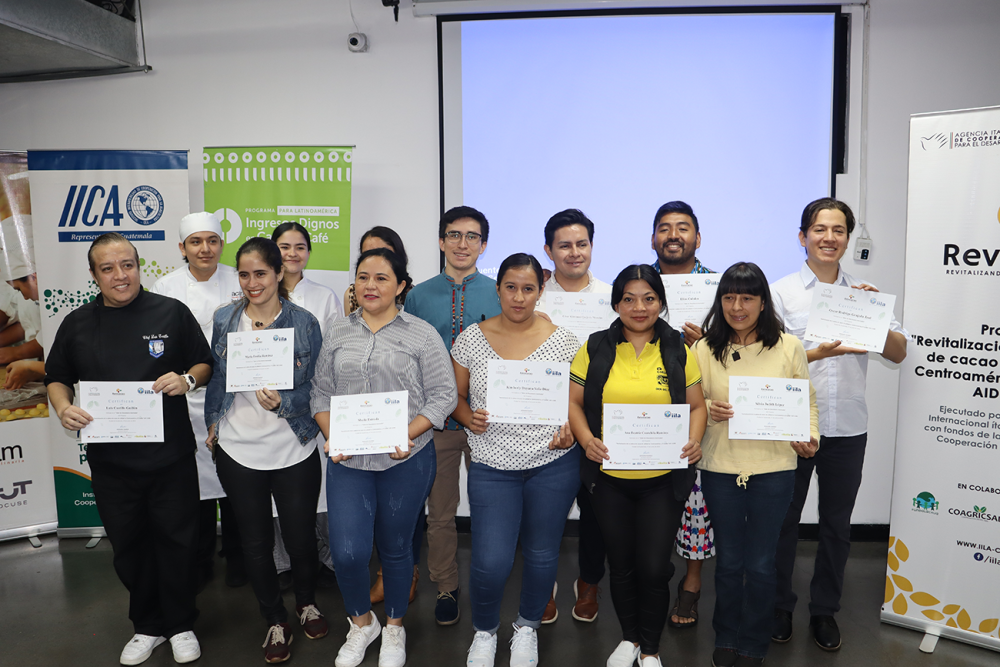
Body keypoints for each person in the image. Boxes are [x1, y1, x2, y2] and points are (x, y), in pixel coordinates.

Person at [45, 232, 212, 666]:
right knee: (129, 546)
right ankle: (147, 625)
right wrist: (64, 408)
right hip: (112, 463)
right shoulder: (77, 324)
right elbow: (57, 376)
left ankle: (179, 624)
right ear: (93, 275)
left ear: (139, 266)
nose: (121, 276)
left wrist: (187, 380)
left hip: (169, 457)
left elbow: (204, 362)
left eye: (128, 265)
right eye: (108, 268)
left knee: (179, 542)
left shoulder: (170, 312)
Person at [770, 198, 908, 651]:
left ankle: (825, 611)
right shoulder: (781, 292)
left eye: (838, 231)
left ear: (847, 238)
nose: (829, 238)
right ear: (802, 236)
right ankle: (779, 607)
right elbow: (767, 360)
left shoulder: (866, 291)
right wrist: (818, 352)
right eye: (819, 229)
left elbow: (897, 353)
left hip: (847, 426)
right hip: (793, 426)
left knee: (836, 525)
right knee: (783, 522)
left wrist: (876, 317)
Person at [311, 247, 457, 667]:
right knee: (348, 552)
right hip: (349, 462)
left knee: (396, 547)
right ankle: (361, 624)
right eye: (363, 277)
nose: (370, 285)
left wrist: (405, 434)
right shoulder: (338, 331)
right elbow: (320, 392)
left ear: (401, 286)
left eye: (381, 278)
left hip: (405, 459)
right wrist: (332, 432)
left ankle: (394, 626)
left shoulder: (422, 334)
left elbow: (444, 395)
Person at [568, 264, 707, 667]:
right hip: (608, 479)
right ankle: (630, 639)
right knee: (622, 566)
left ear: (661, 302)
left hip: (662, 481)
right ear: (615, 303)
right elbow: (575, 404)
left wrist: (694, 439)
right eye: (629, 298)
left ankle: (651, 649)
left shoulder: (679, 348)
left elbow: (696, 407)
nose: (639, 307)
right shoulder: (594, 347)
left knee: (652, 567)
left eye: (648, 298)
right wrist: (586, 439)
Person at [204, 237, 327, 664]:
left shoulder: (304, 322)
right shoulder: (224, 319)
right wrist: (213, 422)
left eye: (260, 273)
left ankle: (307, 602)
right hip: (238, 449)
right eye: (243, 274)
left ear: (278, 273)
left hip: (292, 445)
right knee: (254, 543)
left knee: (299, 538)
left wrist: (287, 402)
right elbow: (218, 377)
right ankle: (275, 619)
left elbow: (319, 385)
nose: (252, 283)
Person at [691, 261, 819, 667]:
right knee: (729, 561)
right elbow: (688, 405)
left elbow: (807, 402)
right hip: (720, 468)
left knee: (762, 563)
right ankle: (727, 636)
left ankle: (754, 642)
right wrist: (711, 408)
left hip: (775, 469)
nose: (737, 306)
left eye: (747, 297)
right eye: (729, 297)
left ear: (763, 302)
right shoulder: (703, 348)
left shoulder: (788, 346)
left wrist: (810, 436)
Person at [454, 253, 580, 667]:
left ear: (541, 291)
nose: (519, 297)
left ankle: (527, 627)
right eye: (511, 287)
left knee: (543, 554)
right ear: (498, 288)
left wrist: (569, 431)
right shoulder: (472, 338)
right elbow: (453, 398)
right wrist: (467, 416)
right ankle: (485, 632)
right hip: (492, 465)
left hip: (553, 464)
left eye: (528, 288)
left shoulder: (565, 341)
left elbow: (576, 404)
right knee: (491, 560)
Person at [402, 205, 501, 625]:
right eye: (454, 235)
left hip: (489, 419)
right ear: (441, 241)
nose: (463, 244)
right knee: (440, 511)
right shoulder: (418, 295)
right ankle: (446, 585)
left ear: (483, 244)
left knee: (491, 508)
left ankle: (489, 580)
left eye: (472, 236)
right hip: (437, 422)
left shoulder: (500, 291)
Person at [151, 211, 246, 590]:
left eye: (212, 241)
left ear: (222, 245)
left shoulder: (240, 280)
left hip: (236, 395)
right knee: (197, 485)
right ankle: (202, 557)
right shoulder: (165, 287)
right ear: (182, 248)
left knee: (237, 477)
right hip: (185, 397)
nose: (205, 249)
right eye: (196, 242)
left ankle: (240, 557)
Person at [534, 209, 611, 624]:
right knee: (545, 511)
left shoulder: (614, 296)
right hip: (544, 419)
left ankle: (589, 583)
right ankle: (544, 585)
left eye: (582, 244)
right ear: (548, 250)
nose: (574, 252)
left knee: (596, 511)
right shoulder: (534, 297)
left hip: (598, 420)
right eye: (564, 245)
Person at [650, 200, 717, 627]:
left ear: (697, 237)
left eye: (683, 228)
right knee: (652, 502)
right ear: (653, 238)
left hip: (698, 407)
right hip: (646, 413)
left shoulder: (717, 286)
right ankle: (652, 578)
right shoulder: (636, 283)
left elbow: (740, 342)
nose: (674, 235)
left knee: (697, 501)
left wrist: (707, 339)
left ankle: (691, 585)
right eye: (665, 228)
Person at [270, 221, 343, 591]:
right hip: (271, 406)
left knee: (321, 485)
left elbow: (333, 350)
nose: (293, 254)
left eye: (300, 247)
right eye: (284, 247)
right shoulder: (261, 293)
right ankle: (284, 564)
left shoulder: (324, 296)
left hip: (315, 401)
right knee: (280, 491)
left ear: (309, 253)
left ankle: (326, 559)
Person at [343, 226, 410, 315]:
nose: (375, 259)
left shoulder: (413, 295)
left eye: (384, 253)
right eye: (368, 254)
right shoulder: (352, 294)